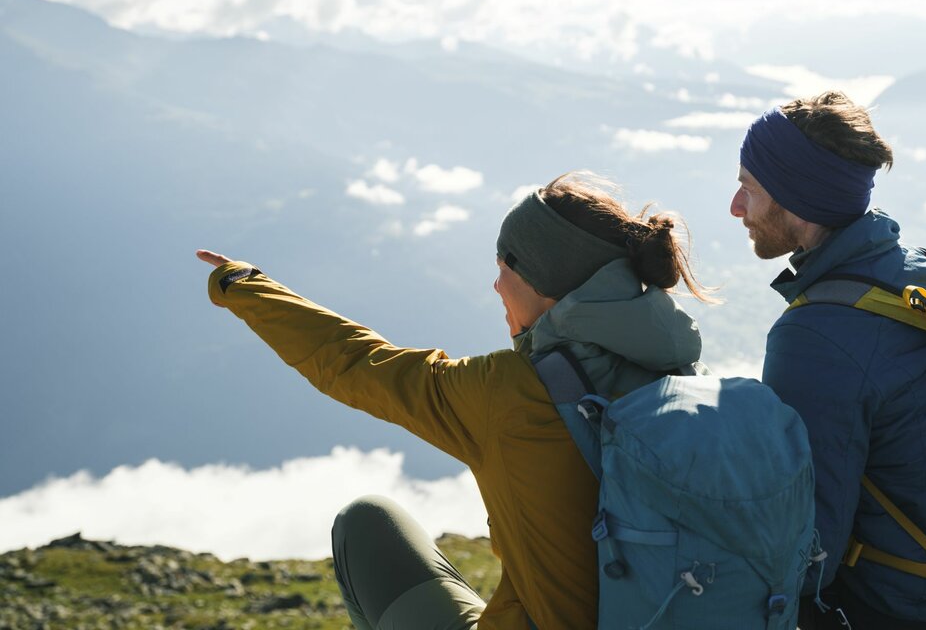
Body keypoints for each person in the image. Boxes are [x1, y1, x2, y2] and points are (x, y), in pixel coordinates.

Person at [197, 172, 713, 630]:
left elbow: (353, 364)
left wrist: (243, 285)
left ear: (542, 280)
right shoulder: (702, 386)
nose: (495, 283)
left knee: (366, 523)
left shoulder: (506, 393)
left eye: (503, 265)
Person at [728, 92, 926, 630]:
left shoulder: (817, 336)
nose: (735, 207)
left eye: (749, 188)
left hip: (886, 614)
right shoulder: (918, 273)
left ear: (797, 197)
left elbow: (807, 548)